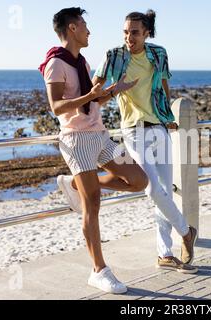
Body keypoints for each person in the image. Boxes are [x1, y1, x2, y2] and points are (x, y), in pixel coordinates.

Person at [39, 7, 148, 295]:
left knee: (139, 180)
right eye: (84, 25)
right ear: (72, 28)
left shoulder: (82, 62)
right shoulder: (55, 64)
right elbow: (56, 107)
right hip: (76, 140)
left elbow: (93, 102)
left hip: (100, 136)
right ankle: (99, 271)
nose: (89, 30)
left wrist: (115, 90)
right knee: (93, 205)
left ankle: (75, 184)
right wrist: (90, 95)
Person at [93, 10, 198, 273]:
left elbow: (163, 87)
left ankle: (164, 254)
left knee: (164, 190)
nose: (129, 38)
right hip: (133, 130)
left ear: (147, 33)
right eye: (126, 32)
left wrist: (168, 117)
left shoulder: (158, 54)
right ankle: (186, 232)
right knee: (152, 189)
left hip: (159, 128)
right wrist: (114, 90)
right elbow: (96, 97)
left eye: (135, 32)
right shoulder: (113, 56)